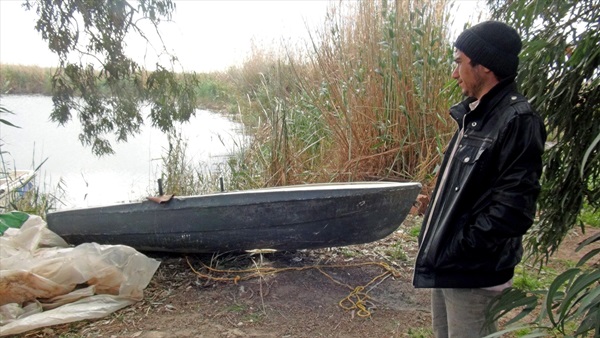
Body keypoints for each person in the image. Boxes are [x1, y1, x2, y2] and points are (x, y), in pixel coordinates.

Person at [412, 21, 546, 337]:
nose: (454, 73)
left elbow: (513, 211)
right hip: (449, 265)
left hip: (471, 273)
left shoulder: (517, 120)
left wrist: (459, 246)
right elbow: (470, 191)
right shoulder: (473, 116)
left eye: (459, 62)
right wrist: (435, 213)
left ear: (483, 66)